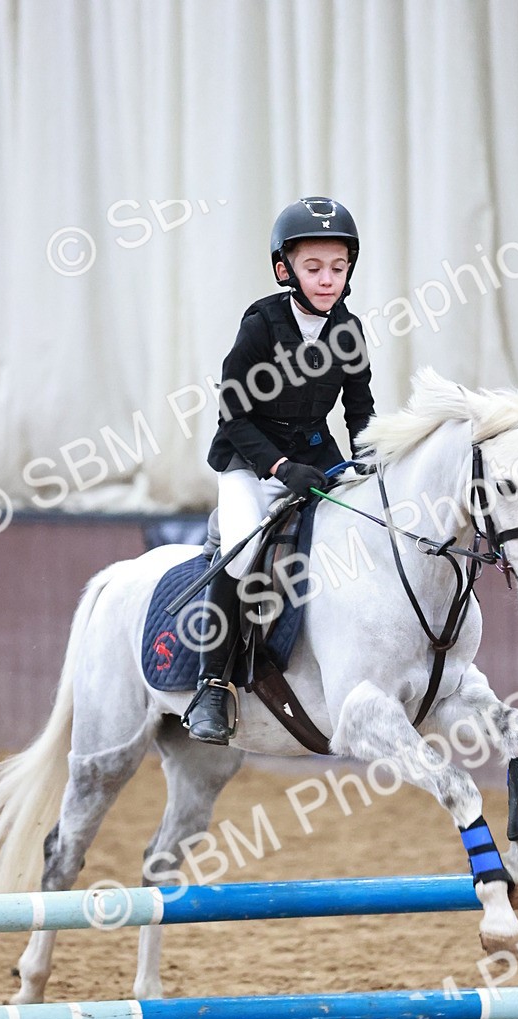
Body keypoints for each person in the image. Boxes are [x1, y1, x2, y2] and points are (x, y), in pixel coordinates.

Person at [186, 196, 376, 743]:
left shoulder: (350, 330)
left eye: (337, 268)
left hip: (315, 458)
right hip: (249, 458)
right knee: (244, 550)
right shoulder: (262, 323)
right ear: (284, 268)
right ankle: (211, 686)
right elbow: (231, 411)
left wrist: (369, 453)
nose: (327, 279)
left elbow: (360, 410)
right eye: (313, 268)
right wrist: (277, 464)